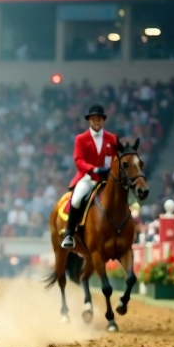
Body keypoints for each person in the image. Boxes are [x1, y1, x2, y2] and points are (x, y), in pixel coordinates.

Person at [61, 104, 119, 249]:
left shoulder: (112, 138)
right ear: (89, 121)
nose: (97, 122)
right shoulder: (81, 139)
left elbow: (115, 158)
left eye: (99, 119)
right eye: (94, 119)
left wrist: (111, 170)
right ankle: (69, 233)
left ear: (103, 120)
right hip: (88, 177)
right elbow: (78, 160)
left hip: (108, 177)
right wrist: (94, 169)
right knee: (76, 199)